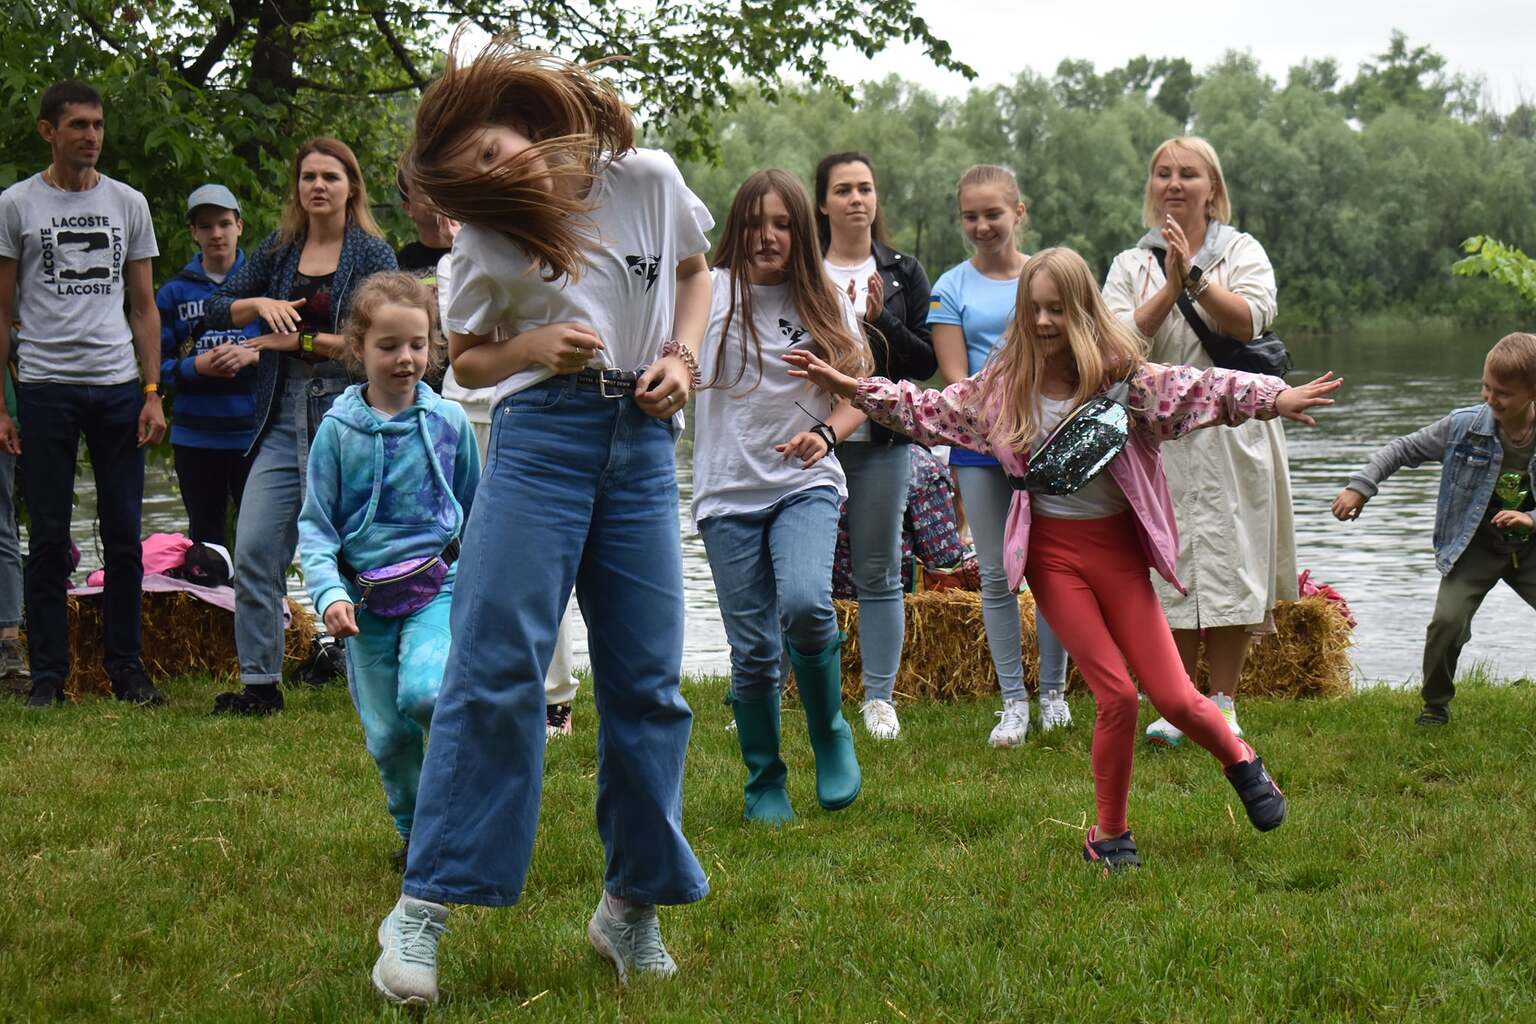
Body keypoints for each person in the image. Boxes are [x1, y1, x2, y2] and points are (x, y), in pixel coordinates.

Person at [788, 247, 1340, 870]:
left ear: (1083, 311)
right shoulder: (1003, 390)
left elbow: (1202, 389)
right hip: (1054, 560)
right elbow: (929, 410)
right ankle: (1109, 835)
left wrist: (1274, 397)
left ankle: (1242, 761)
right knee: (1117, 697)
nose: (1045, 321)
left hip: (1119, 556)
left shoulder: (1125, 382)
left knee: (1176, 697)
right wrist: (851, 388)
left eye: (1058, 309)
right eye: (1035, 309)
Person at [369, 42, 712, 1006]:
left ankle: (629, 909)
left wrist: (683, 358)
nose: (495, 176)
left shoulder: (646, 179)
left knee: (648, 683)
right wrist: (530, 345)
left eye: (494, 152)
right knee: (496, 667)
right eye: (474, 176)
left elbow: (696, 274)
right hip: (540, 444)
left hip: (641, 441)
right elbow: (470, 358)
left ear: (522, 120)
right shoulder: (484, 240)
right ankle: (422, 910)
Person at [1102, 136, 1296, 748]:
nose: (1175, 183)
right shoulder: (1130, 264)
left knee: (1234, 559)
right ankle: (1179, 700)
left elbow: (1251, 318)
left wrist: (1194, 278)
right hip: (1157, 435)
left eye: (1188, 173)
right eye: (1163, 173)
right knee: (1172, 562)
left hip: (1234, 430)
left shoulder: (1242, 251)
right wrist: (1167, 286)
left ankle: (1225, 701)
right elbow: (1115, 347)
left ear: (1213, 188)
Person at [201, 137, 398, 716]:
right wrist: (258, 305)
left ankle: (372, 671)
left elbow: (383, 343)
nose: (318, 186)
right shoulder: (281, 247)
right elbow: (218, 307)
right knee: (254, 548)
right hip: (281, 415)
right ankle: (260, 686)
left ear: (351, 186)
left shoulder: (372, 254)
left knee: (362, 551)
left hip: (349, 414)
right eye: (308, 176)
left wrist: (294, 340)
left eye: (330, 177)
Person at [695, 169, 868, 823]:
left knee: (804, 603)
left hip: (805, 483)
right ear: (735, 228)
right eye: (753, 223)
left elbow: (860, 393)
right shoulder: (708, 291)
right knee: (753, 650)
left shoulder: (823, 297)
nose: (767, 236)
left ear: (802, 230)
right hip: (726, 491)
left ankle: (829, 732)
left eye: (782, 224)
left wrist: (825, 434)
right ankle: (764, 779)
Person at [298, 271, 480, 867]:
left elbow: (476, 511)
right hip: (365, 605)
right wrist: (329, 594)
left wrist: (482, 588)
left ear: (433, 346)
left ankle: (455, 813)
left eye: (418, 345)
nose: (406, 358)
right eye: (389, 345)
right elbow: (316, 527)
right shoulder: (337, 432)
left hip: (438, 588)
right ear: (358, 347)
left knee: (427, 694)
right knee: (387, 736)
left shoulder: (450, 423)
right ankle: (414, 832)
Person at [0, 79, 167, 707]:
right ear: (49, 131)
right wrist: (1, 406)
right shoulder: (16, 205)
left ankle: (127, 670)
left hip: (118, 385)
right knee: (47, 536)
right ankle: (49, 676)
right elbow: (2, 312)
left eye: (97, 125)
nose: (91, 136)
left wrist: (152, 391)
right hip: (45, 386)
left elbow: (144, 307)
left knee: (124, 532)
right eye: (78, 125)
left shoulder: (128, 203)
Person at [928, 165, 1071, 747]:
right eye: (971, 216)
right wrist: (1001, 428)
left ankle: (1055, 694)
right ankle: (1013, 702)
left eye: (993, 213)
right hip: (981, 449)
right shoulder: (950, 287)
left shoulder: (1046, 277)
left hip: (1049, 444)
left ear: (1019, 212)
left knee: (1053, 570)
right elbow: (956, 381)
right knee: (995, 575)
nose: (982, 225)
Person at [1332, 332, 1536, 725]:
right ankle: (1435, 705)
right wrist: (1361, 487)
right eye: (1486, 387)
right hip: (1474, 548)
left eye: (1503, 393)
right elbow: (1401, 449)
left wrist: (1531, 519)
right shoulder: (1463, 427)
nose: (1490, 399)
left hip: (1530, 548)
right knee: (1447, 623)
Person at [435, 248, 584, 741]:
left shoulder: (557, 254)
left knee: (542, 561)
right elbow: (465, 345)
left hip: (529, 414)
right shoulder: (460, 259)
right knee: (464, 557)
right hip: (464, 414)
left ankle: (554, 694)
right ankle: (469, 682)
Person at [814, 150, 937, 741]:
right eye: (843, 189)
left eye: (865, 188)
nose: (856, 199)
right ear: (822, 203)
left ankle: (879, 698)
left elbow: (925, 362)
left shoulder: (903, 272)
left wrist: (881, 319)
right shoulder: (803, 268)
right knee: (803, 571)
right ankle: (790, 685)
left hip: (883, 440)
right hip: (811, 437)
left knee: (879, 569)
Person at [157, 184, 262, 547]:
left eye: (224, 224)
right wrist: (196, 367)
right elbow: (156, 367)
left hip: (253, 435)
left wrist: (253, 356)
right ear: (193, 232)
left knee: (259, 538)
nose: (216, 234)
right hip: (195, 436)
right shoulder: (173, 292)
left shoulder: (264, 286)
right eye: (206, 226)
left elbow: (290, 353)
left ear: (239, 226)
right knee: (205, 541)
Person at [394, 169, 455, 275]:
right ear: (408, 208)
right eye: (423, 190)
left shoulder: (471, 250)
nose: (435, 195)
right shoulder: (401, 264)